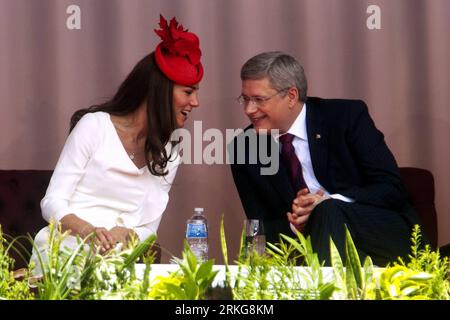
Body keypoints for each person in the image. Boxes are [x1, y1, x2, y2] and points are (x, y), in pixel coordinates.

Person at [31, 15, 203, 266]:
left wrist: (129, 234)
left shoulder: (171, 151)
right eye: (188, 92)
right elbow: (52, 202)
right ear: (160, 91)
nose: (195, 102)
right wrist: (88, 230)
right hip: (66, 251)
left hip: (118, 258)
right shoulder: (95, 125)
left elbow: (149, 227)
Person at [229, 51, 426, 266]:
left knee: (327, 210)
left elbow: (392, 189)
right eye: (245, 99)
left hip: (381, 234)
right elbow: (258, 227)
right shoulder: (245, 147)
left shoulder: (345, 117)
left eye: (259, 99)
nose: (249, 110)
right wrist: (299, 224)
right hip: (311, 244)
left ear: (291, 96)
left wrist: (329, 202)